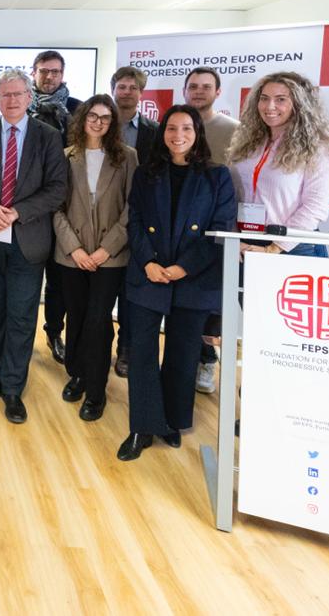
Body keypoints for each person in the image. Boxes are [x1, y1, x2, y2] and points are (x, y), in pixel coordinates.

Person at [118, 105, 235, 461]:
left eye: (186, 128)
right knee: (141, 351)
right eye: (171, 128)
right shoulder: (146, 173)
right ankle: (142, 426)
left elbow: (221, 230)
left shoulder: (218, 176)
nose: (178, 135)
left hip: (193, 278)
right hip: (149, 273)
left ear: (197, 133)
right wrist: (149, 262)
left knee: (183, 355)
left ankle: (171, 421)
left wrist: (184, 267)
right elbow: (135, 222)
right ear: (163, 132)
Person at [0, 69, 68, 425]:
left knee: (22, 315)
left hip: (28, 239)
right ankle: (1, 370)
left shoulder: (48, 136)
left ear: (29, 97)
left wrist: (18, 212)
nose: (11, 100)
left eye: (17, 94)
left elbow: (57, 189)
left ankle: (12, 387)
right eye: (5, 94)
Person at [52, 96, 136, 421]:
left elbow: (132, 208)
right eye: (93, 116)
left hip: (109, 257)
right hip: (72, 255)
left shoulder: (127, 157)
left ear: (113, 122)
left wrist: (106, 249)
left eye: (105, 117)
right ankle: (78, 374)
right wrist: (74, 248)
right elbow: (56, 208)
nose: (98, 122)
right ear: (82, 119)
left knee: (98, 320)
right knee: (76, 316)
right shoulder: (65, 156)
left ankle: (96, 391)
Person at [227, 72, 329, 260]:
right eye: (264, 98)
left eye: (280, 99)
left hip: (293, 246)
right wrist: (234, 239)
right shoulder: (247, 143)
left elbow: (316, 205)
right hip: (245, 242)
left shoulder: (319, 148)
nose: (269, 106)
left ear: (299, 104)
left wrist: (275, 248)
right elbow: (231, 194)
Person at [183, 67, 239, 395]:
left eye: (206, 87)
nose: (199, 91)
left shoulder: (234, 130)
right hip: (178, 228)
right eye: (193, 86)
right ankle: (183, 361)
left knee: (209, 302)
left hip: (215, 227)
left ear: (218, 92)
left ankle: (206, 359)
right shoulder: (175, 124)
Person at [29, 50, 82, 366]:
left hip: (67, 206)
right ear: (33, 72)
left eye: (55, 71)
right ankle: (23, 336)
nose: (49, 76)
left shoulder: (78, 110)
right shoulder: (22, 107)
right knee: (28, 275)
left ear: (63, 74)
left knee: (60, 278)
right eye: (43, 71)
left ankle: (54, 332)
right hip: (30, 207)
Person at [110, 65, 158, 379]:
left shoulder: (155, 131)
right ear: (113, 90)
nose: (126, 92)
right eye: (122, 87)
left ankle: (125, 349)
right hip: (100, 219)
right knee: (100, 293)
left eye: (133, 88)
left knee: (130, 293)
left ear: (141, 93)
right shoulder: (98, 123)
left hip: (139, 220)